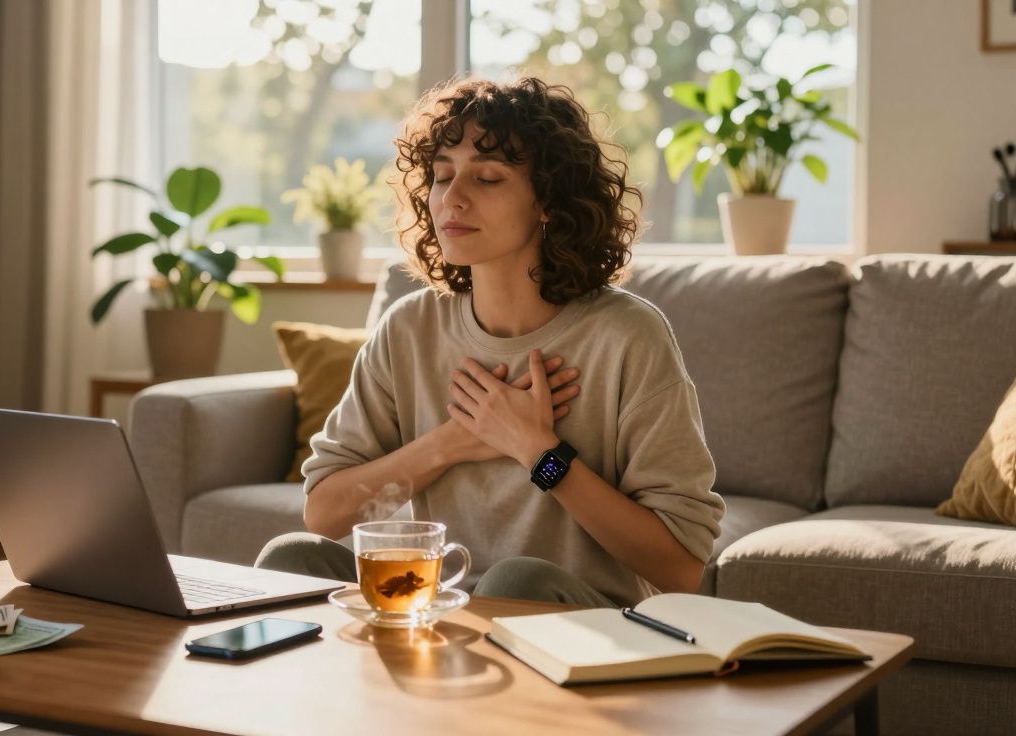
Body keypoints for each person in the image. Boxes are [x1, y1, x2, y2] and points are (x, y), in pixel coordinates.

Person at [255, 76, 724, 607]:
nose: (452, 199)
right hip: (436, 609)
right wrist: (452, 442)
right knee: (291, 560)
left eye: (489, 179)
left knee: (514, 582)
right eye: (442, 176)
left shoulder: (626, 336)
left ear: (548, 200)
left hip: (576, 625)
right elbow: (324, 513)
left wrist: (538, 451)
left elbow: (681, 568)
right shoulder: (409, 328)